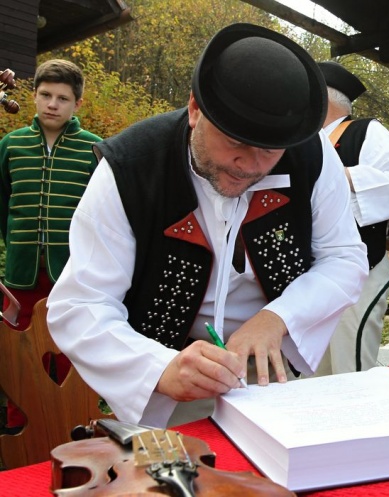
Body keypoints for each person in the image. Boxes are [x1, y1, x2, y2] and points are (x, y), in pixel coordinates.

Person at [46, 23, 368, 428]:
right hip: (164, 374)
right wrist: (158, 367)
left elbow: (345, 257)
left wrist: (278, 318)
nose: (251, 166)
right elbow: (80, 304)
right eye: (235, 143)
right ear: (196, 110)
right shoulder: (129, 167)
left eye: (269, 151)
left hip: (274, 370)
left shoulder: (311, 154)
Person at [0, 59, 101, 433]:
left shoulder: (94, 149)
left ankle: (75, 424)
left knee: (71, 349)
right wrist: (16, 246)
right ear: (34, 96)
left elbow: (101, 213)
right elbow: (3, 204)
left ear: (77, 104)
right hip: (22, 275)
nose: (52, 104)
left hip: (72, 274)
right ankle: (19, 426)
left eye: (62, 97)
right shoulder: (11, 145)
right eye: (45, 95)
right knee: (22, 354)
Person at [312, 61, 389, 376]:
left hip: (359, 271)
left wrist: (340, 176)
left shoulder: (364, 131)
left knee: (349, 367)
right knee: (311, 369)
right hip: (309, 276)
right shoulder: (301, 142)